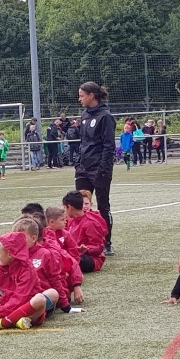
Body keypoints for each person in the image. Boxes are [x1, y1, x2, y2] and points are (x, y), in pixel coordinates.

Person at [75, 81, 117, 256]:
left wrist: (103, 169)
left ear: (91, 96)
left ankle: (106, 243)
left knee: (103, 206)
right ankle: (81, 242)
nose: (79, 99)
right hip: (83, 168)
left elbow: (109, 146)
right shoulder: (85, 115)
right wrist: (78, 162)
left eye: (81, 96)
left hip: (99, 169)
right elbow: (83, 142)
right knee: (78, 204)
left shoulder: (105, 117)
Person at [63, 190, 107, 273]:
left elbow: (98, 246)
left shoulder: (90, 222)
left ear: (70, 207)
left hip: (91, 258)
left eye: (65, 208)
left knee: (74, 259)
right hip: (74, 253)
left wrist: (86, 249)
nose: (64, 210)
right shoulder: (70, 220)